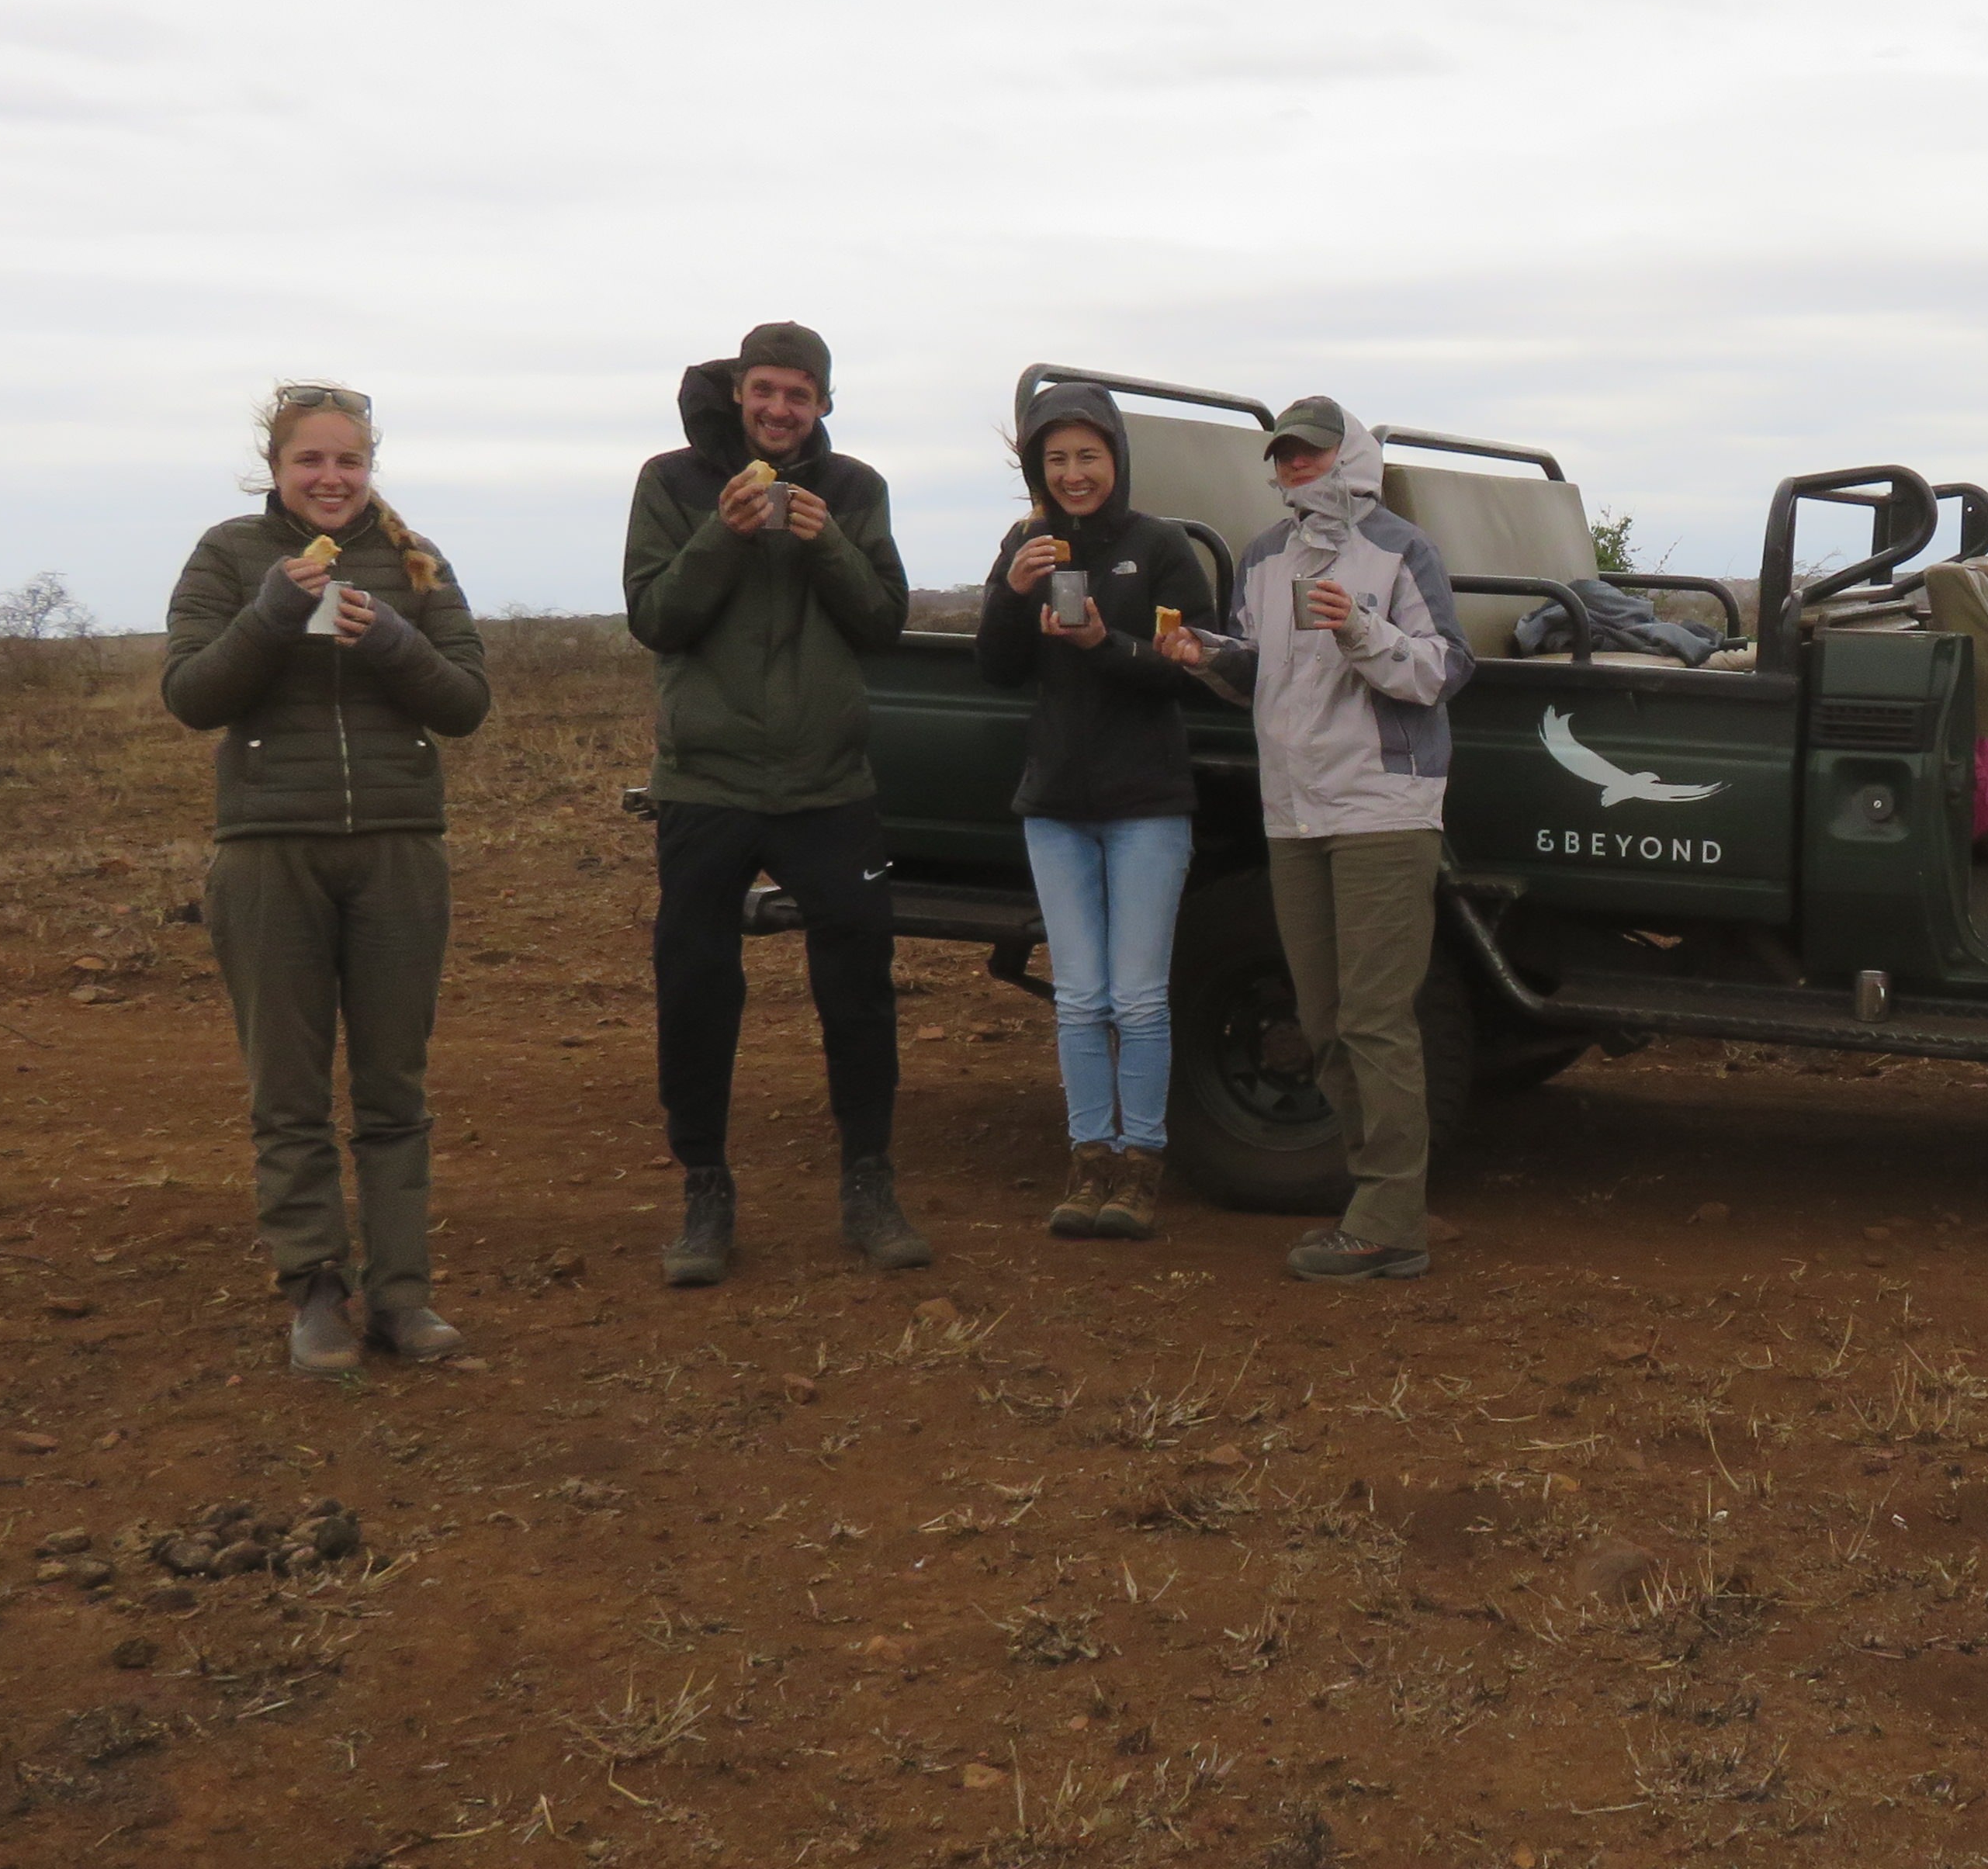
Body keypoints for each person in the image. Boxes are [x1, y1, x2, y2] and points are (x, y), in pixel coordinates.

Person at [160, 383, 493, 1376]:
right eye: (310, 461)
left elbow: (468, 701)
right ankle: (314, 1293)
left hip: (398, 846)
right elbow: (190, 693)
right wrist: (271, 612)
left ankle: (403, 1300)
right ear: (276, 469)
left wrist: (391, 638)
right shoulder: (229, 556)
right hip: (269, 851)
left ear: (369, 467)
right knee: (290, 1094)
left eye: (348, 461)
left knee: (395, 1090)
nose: (331, 478)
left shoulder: (414, 558)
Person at [624, 320, 932, 1284]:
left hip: (828, 783)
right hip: (707, 781)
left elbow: (883, 620)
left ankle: (869, 1183)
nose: (779, 409)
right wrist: (727, 529)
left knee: (859, 987)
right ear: (737, 391)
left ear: (823, 406)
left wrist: (827, 541)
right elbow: (655, 617)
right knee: (697, 985)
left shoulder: (856, 491)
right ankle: (705, 1191)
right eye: (764, 390)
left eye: (799, 395)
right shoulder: (671, 483)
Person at [1156, 396, 1470, 1281]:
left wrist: (1360, 627)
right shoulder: (1264, 556)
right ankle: (1375, 1198)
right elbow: (1262, 669)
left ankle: (1390, 1217)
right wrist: (1207, 656)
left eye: (1313, 453)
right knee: (1326, 1018)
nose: (1298, 466)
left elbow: (1444, 669)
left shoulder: (1402, 551)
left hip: (1382, 807)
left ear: (1350, 456)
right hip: (1293, 811)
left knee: (1376, 1018)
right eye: (1287, 455)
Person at [980, 382, 1218, 1241]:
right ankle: (1089, 1164)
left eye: (1088, 455)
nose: (1074, 474)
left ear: (1116, 457)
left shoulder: (1158, 548)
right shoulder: (1026, 544)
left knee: (1140, 999)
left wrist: (1103, 646)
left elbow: (1193, 662)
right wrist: (1011, 589)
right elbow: (997, 667)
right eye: (1056, 459)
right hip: (1055, 805)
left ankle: (1141, 1167)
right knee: (1081, 998)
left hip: (1146, 801)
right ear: (1037, 468)